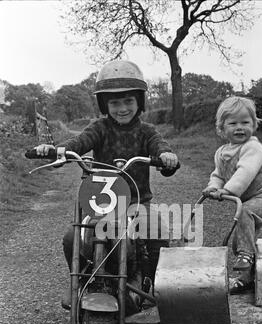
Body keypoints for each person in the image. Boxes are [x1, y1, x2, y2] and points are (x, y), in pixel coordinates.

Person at [35, 59, 179, 309]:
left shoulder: (147, 131)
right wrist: (58, 151)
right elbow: (79, 142)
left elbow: (159, 145)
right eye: (114, 102)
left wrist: (166, 156)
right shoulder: (99, 128)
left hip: (136, 202)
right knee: (72, 238)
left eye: (128, 101)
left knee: (157, 232)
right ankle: (78, 282)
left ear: (139, 102)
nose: (122, 108)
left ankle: (150, 280)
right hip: (101, 205)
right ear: (105, 105)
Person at [202, 96, 262, 294]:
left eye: (245, 122)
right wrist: (213, 187)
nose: (240, 127)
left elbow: (245, 172)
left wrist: (228, 191)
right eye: (233, 123)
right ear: (222, 128)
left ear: (254, 125)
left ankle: (246, 256)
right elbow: (218, 174)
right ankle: (246, 278)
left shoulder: (253, 148)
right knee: (240, 237)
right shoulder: (221, 152)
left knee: (245, 214)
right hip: (247, 202)